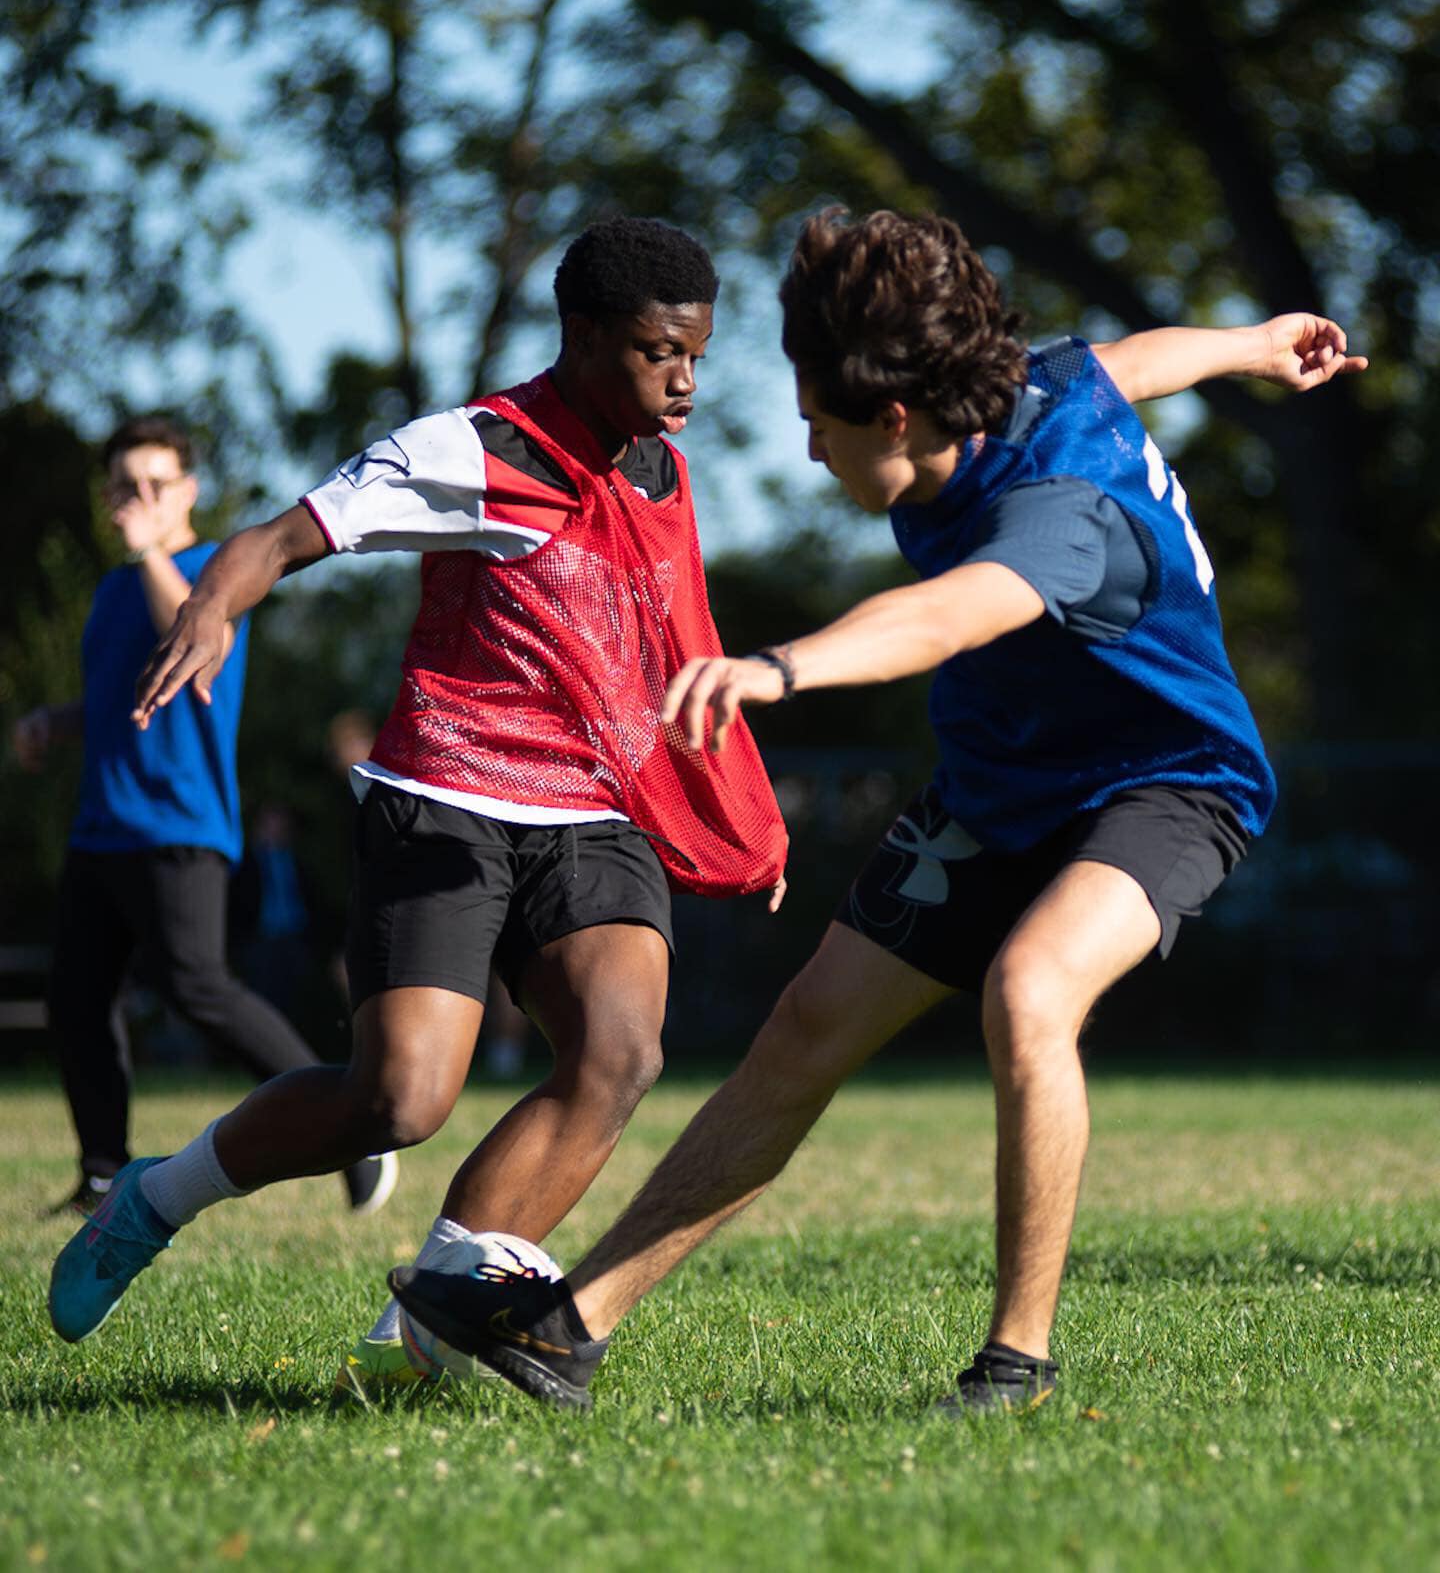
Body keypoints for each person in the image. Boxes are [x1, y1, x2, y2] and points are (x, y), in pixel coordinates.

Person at [388, 207, 1368, 1416]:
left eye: (819, 425)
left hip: (1166, 784)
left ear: (894, 420)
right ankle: (568, 1332)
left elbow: (948, 615)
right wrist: (1254, 342)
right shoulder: (1014, 385)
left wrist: (780, 667)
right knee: (806, 1027)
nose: (809, 453)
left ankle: (1017, 1362)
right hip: (999, 785)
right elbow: (1126, 361)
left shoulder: (1061, 514)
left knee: (1031, 989)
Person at [46, 220, 788, 1385]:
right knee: (396, 1098)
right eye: (658, 353)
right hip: (443, 802)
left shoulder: (662, 464)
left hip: (592, 810)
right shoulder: (474, 449)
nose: (685, 379)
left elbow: (673, 645)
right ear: (584, 338)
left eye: (697, 352)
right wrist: (211, 608)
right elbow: (282, 534)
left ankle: (423, 1331)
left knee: (618, 1052)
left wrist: (732, 808)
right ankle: (158, 1193)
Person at [13, 416, 395, 1220]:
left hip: (178, 827)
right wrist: (60, 718)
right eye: (125, 486)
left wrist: (151, 547)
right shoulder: (114, 588)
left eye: (155, 485)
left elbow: (187, 641)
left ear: (185, 492)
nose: (137, 500)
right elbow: (127, 696)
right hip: (102, 828)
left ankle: (349, 1126)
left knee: (200, 988)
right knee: (77, 1000)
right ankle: (101, 1173)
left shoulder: (214, 575)